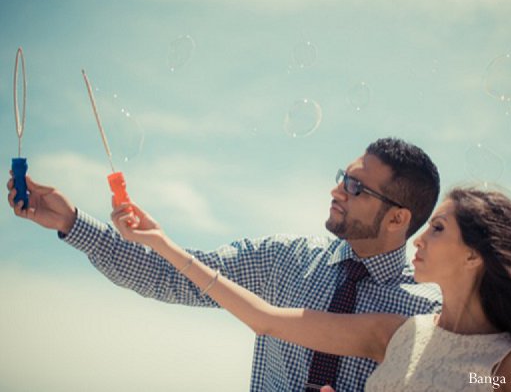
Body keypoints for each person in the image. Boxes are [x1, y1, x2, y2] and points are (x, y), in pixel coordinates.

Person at [7, 137, 442, 392]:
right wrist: (71, 222)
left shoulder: (429, 311)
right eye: (341, 177)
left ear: (399, 217)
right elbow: (169, 274)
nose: (336, 191)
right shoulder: (283, 259)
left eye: (355, 187)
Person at [104, 187, 511, 391]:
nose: (419, 238)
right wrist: (162, 244)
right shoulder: (397, 333)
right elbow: (263, 319)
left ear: (474, 255)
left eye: (438, 228)